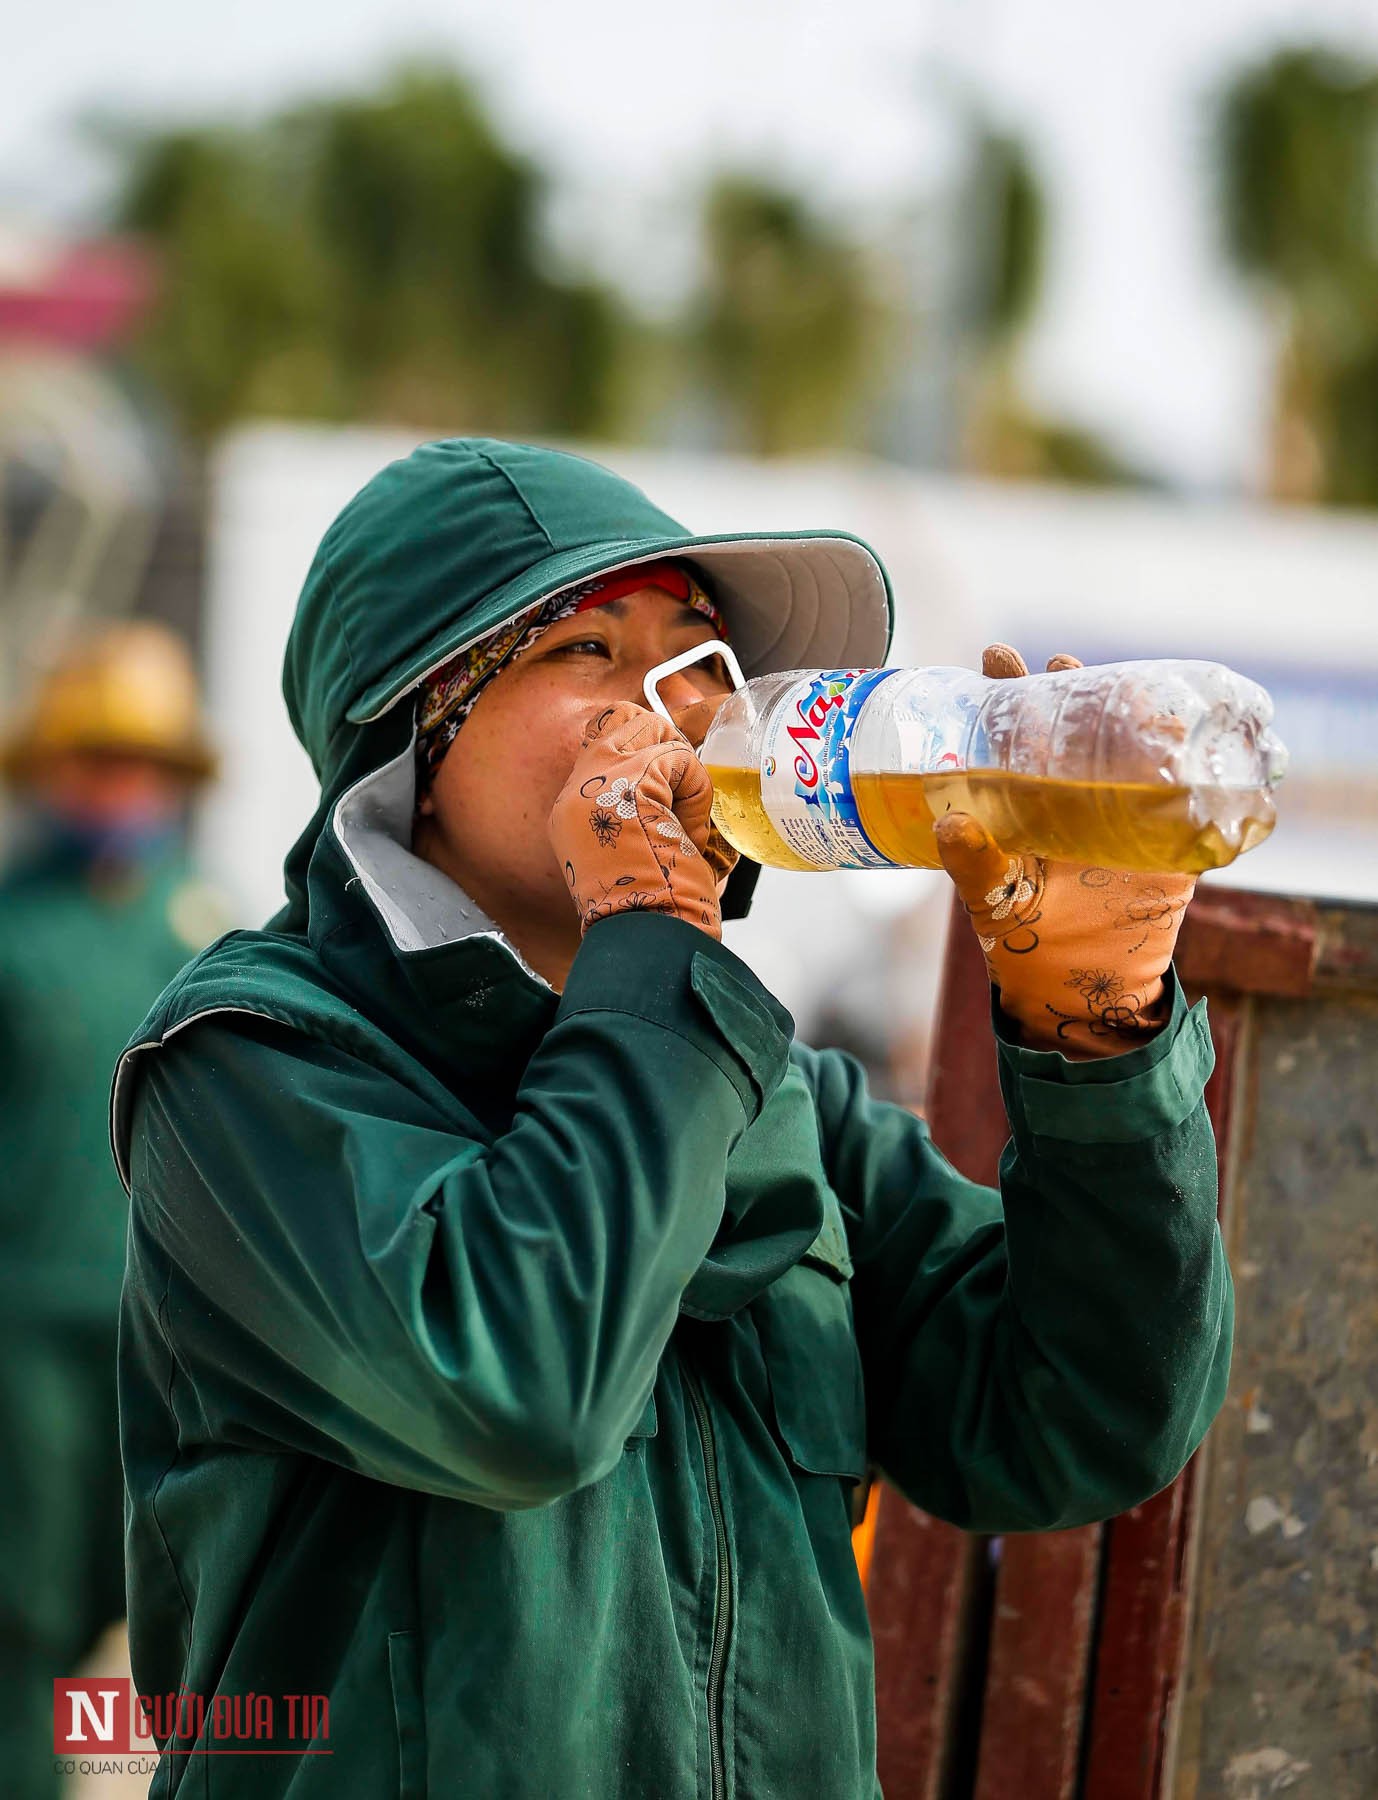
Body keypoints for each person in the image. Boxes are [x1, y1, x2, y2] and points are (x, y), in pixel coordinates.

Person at [113, 439, 1232, 1797]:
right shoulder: (252, 1066)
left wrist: (1095, 1042)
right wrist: (652, 946)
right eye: (582, 648)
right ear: (416, 730)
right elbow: (520, 1395)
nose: (663, 706)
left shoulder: (773, 1096)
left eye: (695, 652)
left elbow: (1077, 1420)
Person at [0, 621, 223, 1799]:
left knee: (130, 1613)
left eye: (148, 764)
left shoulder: (209, 930)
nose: (124, 786)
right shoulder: (10, 925)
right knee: (21, 1615)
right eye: (99, 758)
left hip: (163, 1333)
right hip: (23, 1333)